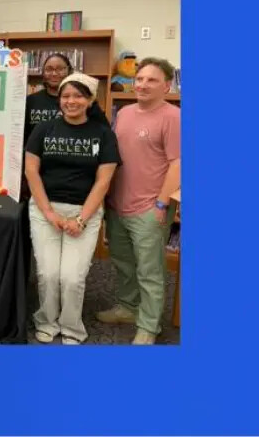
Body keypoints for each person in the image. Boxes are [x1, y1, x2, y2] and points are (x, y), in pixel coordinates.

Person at [24, 73, 120, 344]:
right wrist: (49, 213)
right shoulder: (44, 129)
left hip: (84, 212)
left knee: (72, 277)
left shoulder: (103, 134)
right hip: (45, 210)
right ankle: (46, 320)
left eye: (78, 95)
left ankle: (71, 326)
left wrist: (81, 218)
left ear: (90, 100)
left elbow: (104, 181)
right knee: (48, 273)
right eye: (66, 96)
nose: (71, 101)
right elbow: (31, 171)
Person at [96, 57, 180, 345]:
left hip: (149, 208)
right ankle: (128, 308)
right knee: (122, 262)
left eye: (151, 80)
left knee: (151, 271)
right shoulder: (125, 112)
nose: (142, 84)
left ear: (166, 85)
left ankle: (148, 326)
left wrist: (161, 204)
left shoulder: (173, 117)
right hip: (117, 204)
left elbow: (178, 164)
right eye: (139, 78)